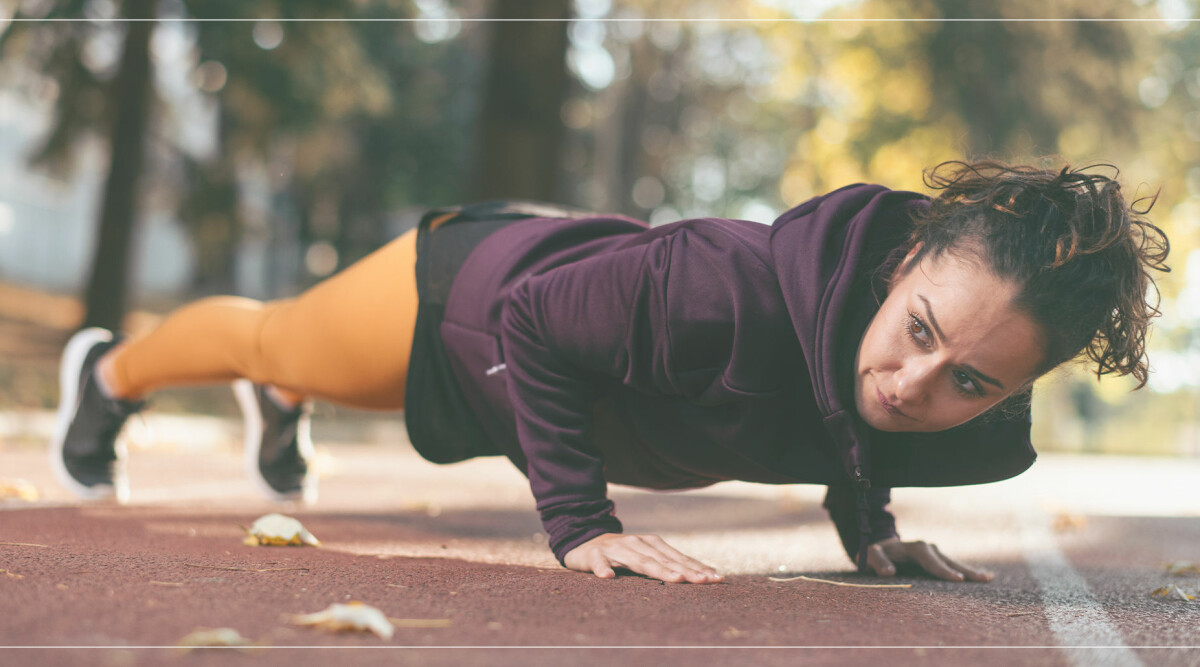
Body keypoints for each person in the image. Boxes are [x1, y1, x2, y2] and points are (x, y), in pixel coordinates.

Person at [49, 160, 1169, 585]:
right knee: (278, 341)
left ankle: (287, 402)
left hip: (579, 307)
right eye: (920, 330)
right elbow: (533, 313)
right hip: (469, 299)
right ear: (904, 260)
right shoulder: (717, 290)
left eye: (971, 384)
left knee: (309, 374)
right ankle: (107, 380)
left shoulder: (919, 384)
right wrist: (580, 522)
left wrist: (864, 525)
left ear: (1016, 388)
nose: (916, 386)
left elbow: (847, 412)